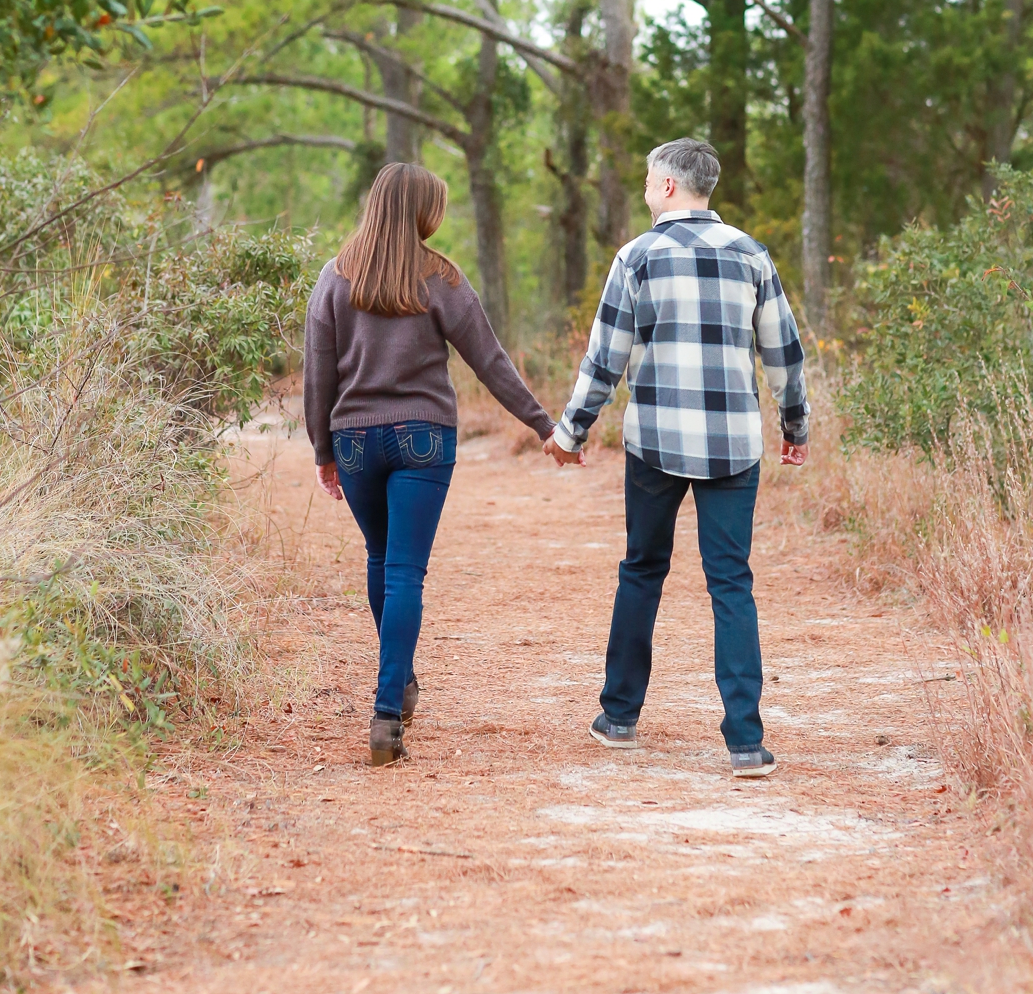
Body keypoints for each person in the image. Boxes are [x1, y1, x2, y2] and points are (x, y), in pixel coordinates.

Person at [544, 137, 809, 779]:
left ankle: (621, 717)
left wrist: (570, 431)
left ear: (667, 187)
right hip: (733, 445)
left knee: (642, 570)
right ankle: (746, 740)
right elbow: (783, 353)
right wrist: (794, 425)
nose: (642, 188)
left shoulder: (636, 257)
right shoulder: (752, 255)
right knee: (731, 582)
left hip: (657, 443)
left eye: (645, 179)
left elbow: (604, 357)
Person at [304, 162, 555, 767]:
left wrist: (323, 447)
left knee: (381, 560)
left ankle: (400, 684)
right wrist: (544, 424)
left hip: (357, 442)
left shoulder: (334, 278)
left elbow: (318, 371)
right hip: (423, 436)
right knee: (405, 572)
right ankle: (388, 709)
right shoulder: (441, 277)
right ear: (420, 212)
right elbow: (488, 360)